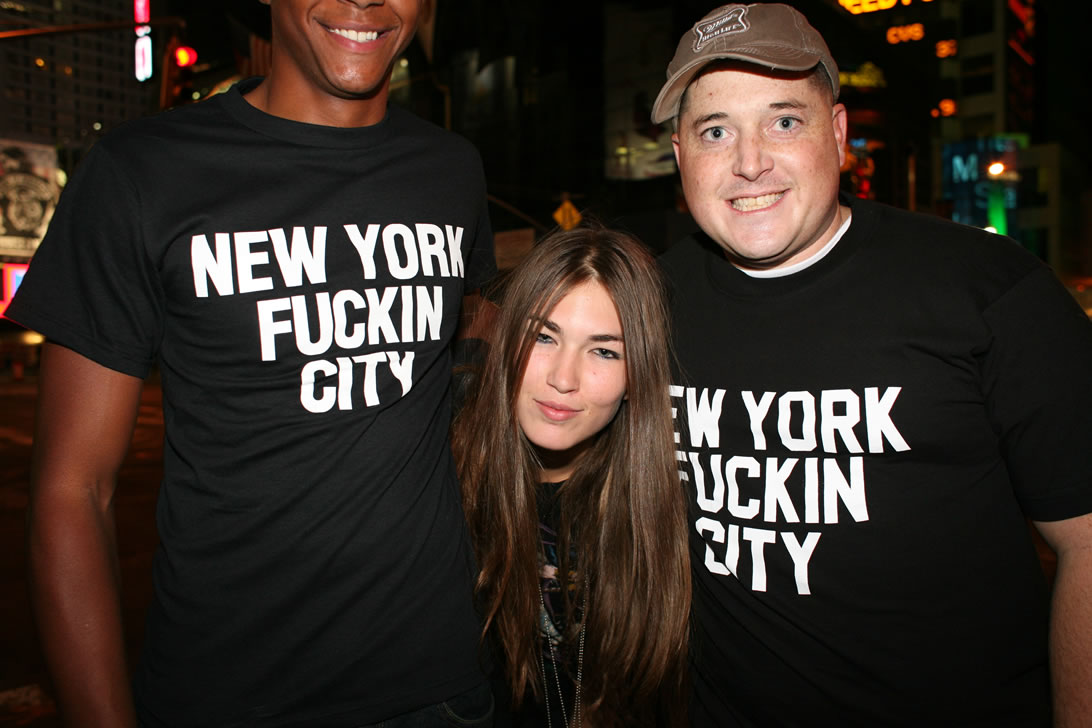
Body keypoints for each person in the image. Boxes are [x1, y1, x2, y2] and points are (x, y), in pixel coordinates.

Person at [6, 0, 496, 725]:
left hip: (440, 690)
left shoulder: (452, 169)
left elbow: (475, 344)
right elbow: (73, 492)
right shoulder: (142, 172)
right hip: (228, 692)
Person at [651, 3, 1092, 726]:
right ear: (680, 155)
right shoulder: (645, 306)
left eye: (783, 121)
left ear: (837, 133)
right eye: (715, 131)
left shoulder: (988, 290)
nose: (749, 162)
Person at [453, 225, 691, 728]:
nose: (563, 379)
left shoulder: (676, 503)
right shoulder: (447, 472)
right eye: (543, 337)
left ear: (637, 377)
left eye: (604, 351)